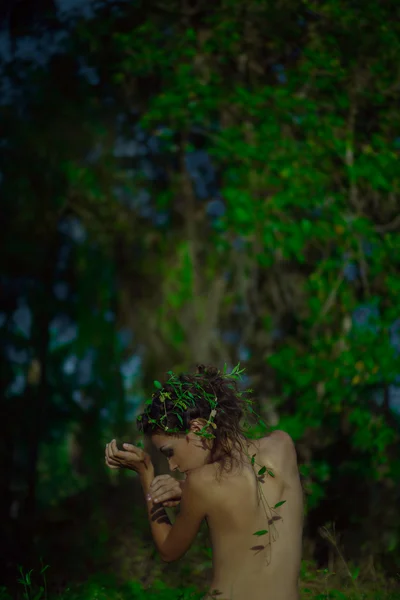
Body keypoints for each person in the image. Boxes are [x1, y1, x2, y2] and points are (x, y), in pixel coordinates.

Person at [105, 364, 303, 600]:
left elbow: (169, 550)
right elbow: (243, 496)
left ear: (198, 428)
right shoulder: (282, 445)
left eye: (169, 452)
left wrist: (145, 473)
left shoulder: (202, 482)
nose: (172, 466)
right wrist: (183, 488)